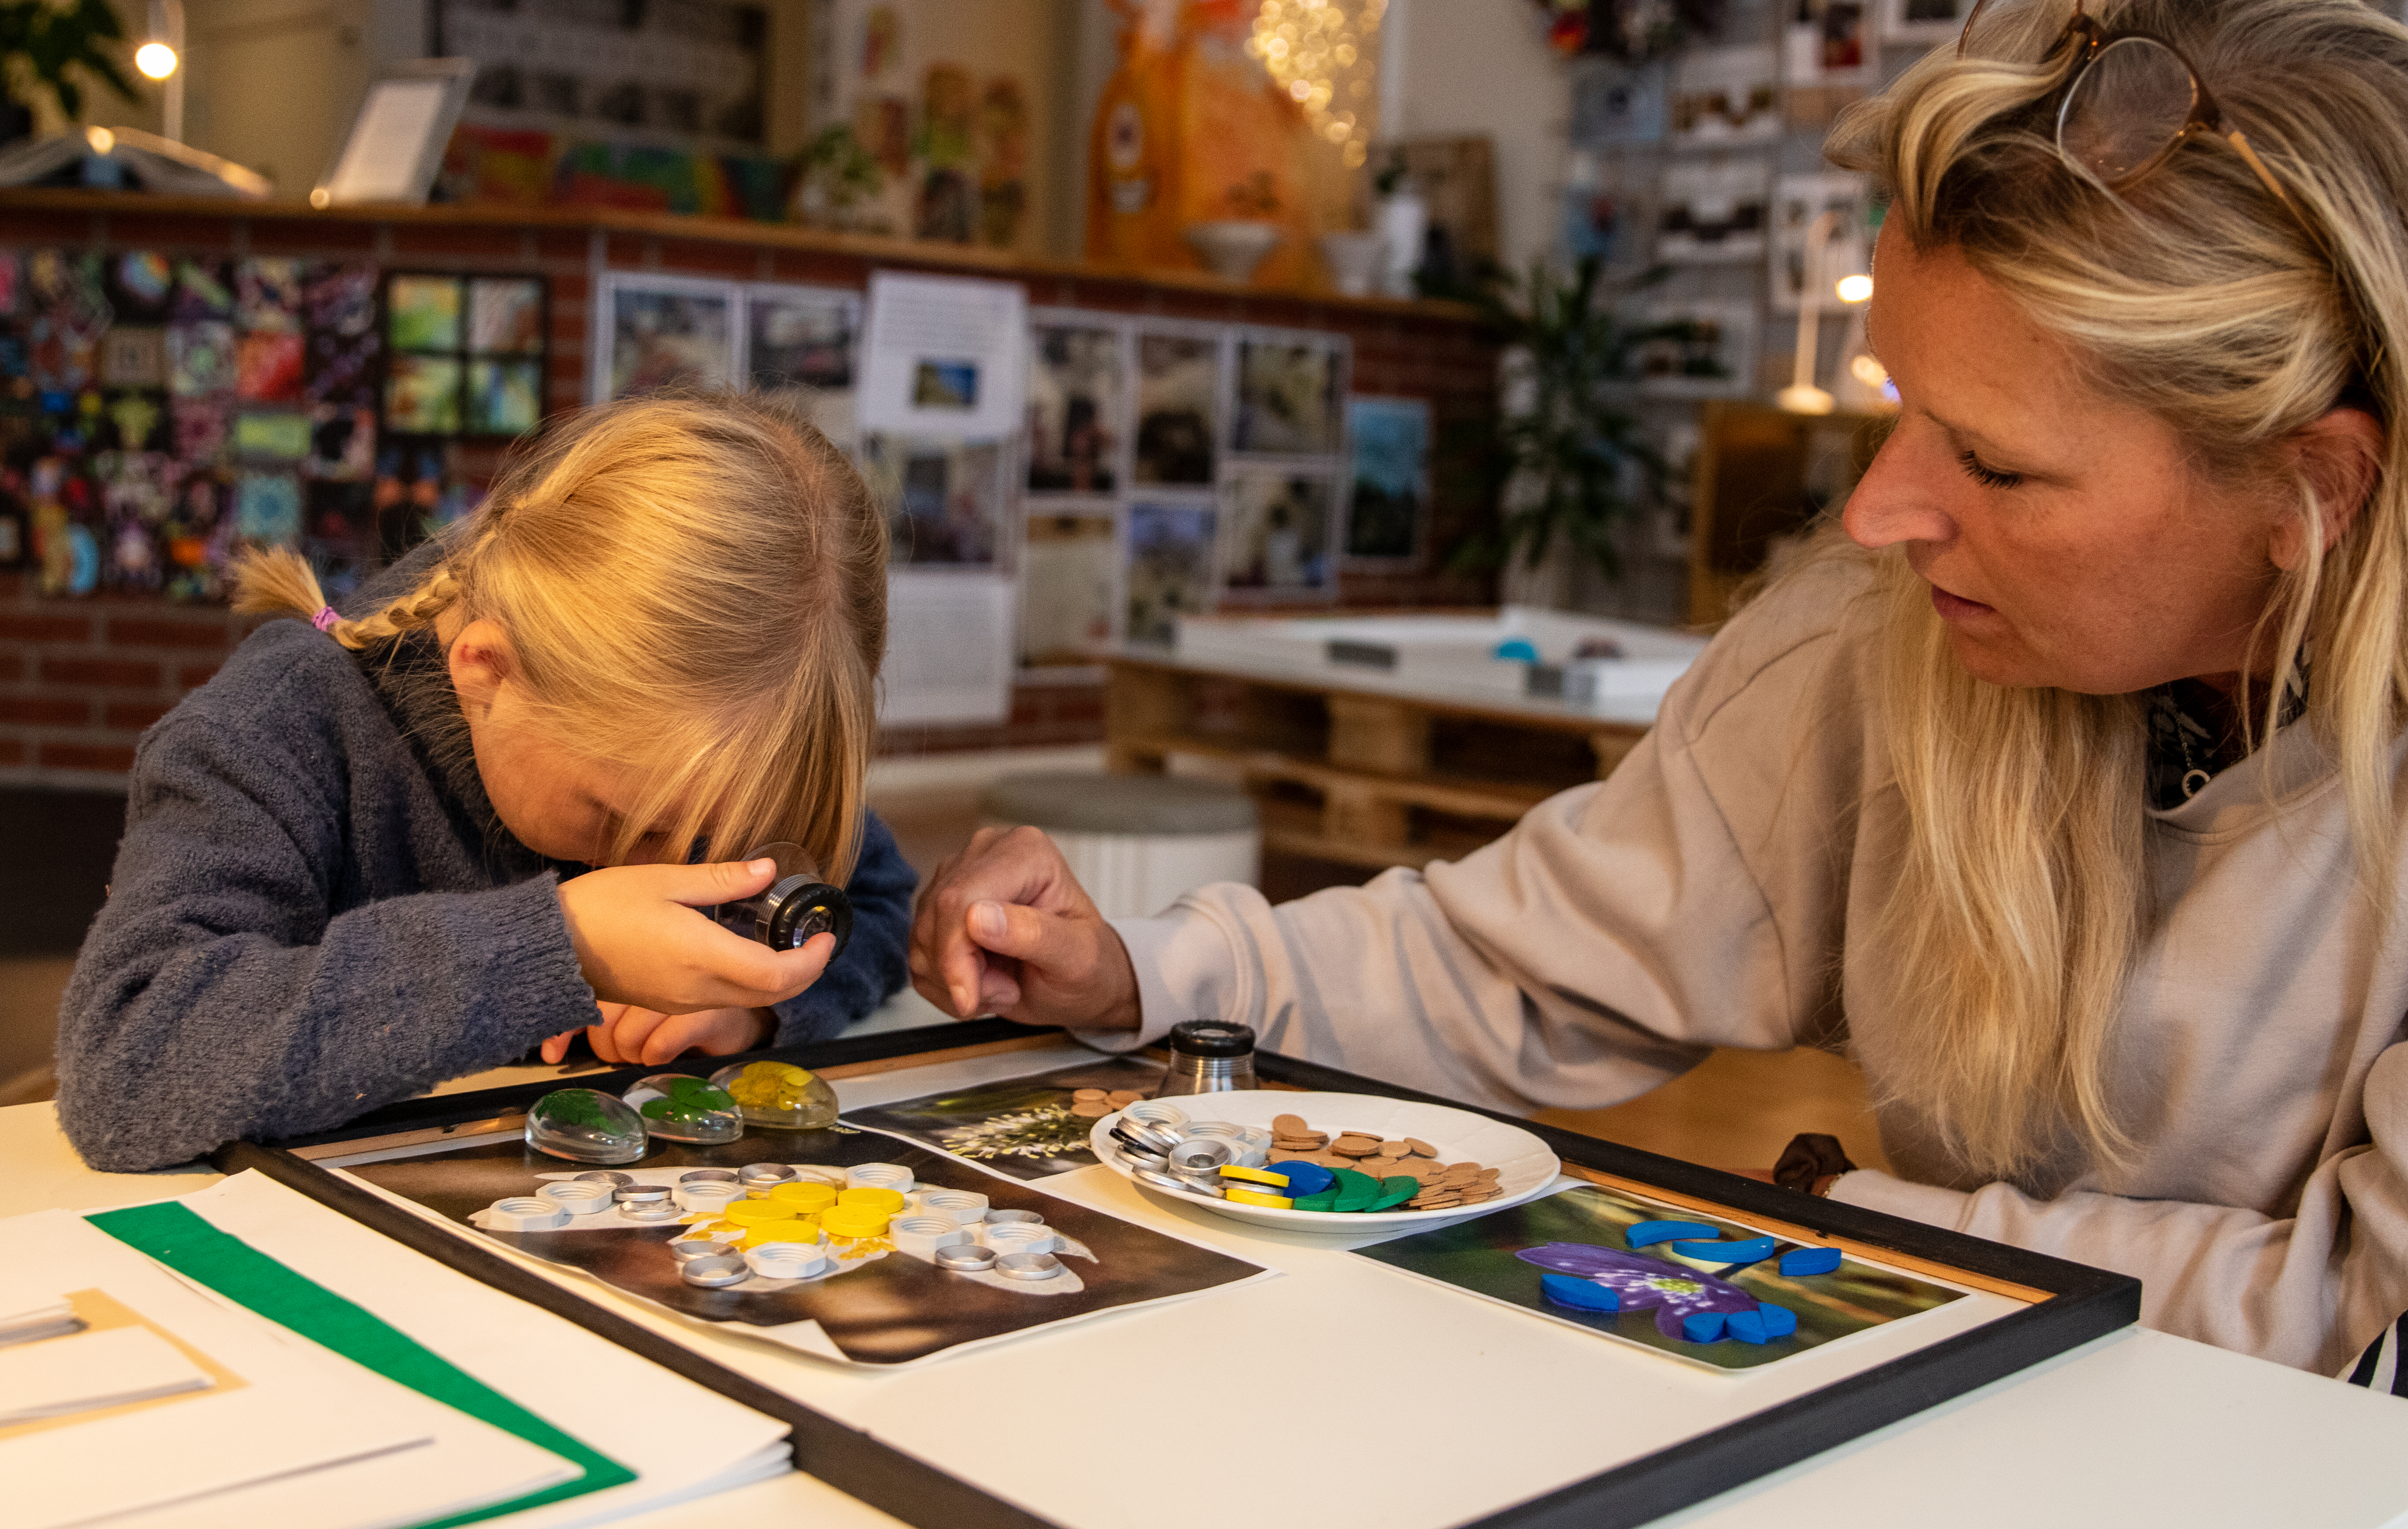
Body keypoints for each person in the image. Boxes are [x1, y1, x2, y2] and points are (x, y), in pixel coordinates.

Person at [910, 0, 2408, 1377]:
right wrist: (1153, 977)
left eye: (1998, 463)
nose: (1880, 514)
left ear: (2314, 489)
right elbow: (1532, 962)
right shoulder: (1875, 638)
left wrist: (1854, 1212)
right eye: (1899, 407)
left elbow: (2363, 1333)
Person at [56, 391, 916, 1172]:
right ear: (485, 673)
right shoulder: (272, 734)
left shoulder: (709, 755)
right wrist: (558, 948)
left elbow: (872, 901)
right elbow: (128, 1056)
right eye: (630, 824)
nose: (685, 861)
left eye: (721, 836)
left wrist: (760, 1010)